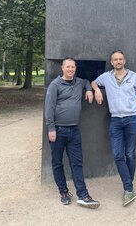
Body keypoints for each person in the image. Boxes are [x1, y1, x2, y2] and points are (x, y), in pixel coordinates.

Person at [91, 50, 136, 207]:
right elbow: (94, 82)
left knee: (130, 153)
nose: (118, 61)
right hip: (115, 120)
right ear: (111, 62)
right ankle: (129, 187)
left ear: (124, 61)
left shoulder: (135, 77)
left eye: (120, 59)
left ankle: (128, 188)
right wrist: (96, 90)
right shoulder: (106, 77)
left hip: (132, 119)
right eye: (115, 59)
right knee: (117, 154)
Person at [45, 57, 100, 209]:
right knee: (57, 163)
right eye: (68, 67)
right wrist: (51, 128)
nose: (70, 69)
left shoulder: (79, 82)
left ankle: (83, 195)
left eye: (73, 67)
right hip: (58, 130)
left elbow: (87, 82)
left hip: (74, 130)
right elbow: (49, 108)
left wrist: (89, 89)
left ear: (75, 68)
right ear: (62, 68)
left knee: (77, 163)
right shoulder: (55, 85)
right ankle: (63, 192)